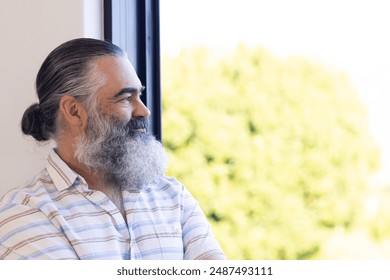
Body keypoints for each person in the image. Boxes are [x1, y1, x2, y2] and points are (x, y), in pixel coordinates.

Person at [0, 38, 226, 260]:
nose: (144, 111)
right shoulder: (22, 214)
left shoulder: (173, 196)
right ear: (74, 111)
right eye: (126, 98)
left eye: (140, 95)